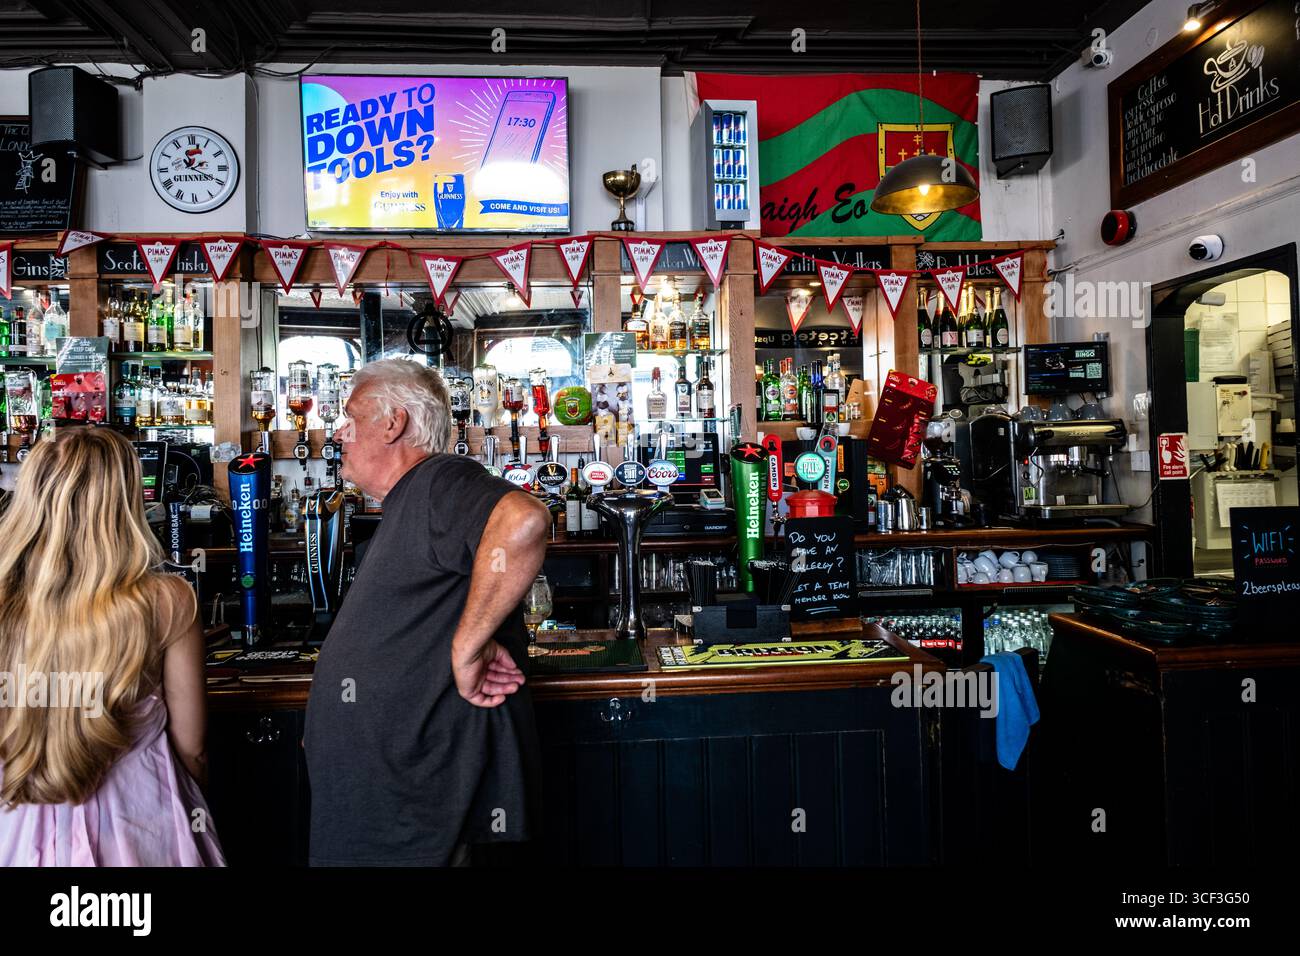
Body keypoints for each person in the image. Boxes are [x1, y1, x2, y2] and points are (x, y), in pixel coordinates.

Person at [304, 359, 550, 866]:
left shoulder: (439, 480)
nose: (339, 432)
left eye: (351, 417)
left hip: (424, 807)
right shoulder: (410, 500)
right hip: (394, 803)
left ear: (394, 423)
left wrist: (467, 646)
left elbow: (524, 520)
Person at [0, 428, 224, 866]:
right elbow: (193, 747)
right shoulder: (168, 600)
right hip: (142, 821)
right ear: (124, 500)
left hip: (19, 818)